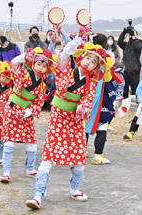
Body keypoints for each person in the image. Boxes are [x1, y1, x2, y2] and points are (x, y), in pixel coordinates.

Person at [25, 33, 115, 209]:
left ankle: (75, 189)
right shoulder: (66, 68)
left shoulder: (92, 82)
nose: (88, 62)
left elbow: (88, 99)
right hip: (58, 119)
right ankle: (37, 195)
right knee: (48, 158)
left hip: (74, 122)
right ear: (82, 57)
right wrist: (77, 40)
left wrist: (84, 109)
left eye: (93, 62)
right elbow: (65, 54)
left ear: (96, 67)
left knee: (79, 159)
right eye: (88, 58)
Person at [0, 48, 56, 182]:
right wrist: (27, 55)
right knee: (9, 142)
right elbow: (13, 62)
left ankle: (30, 168)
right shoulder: (24, 73)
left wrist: (27, 112)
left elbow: (39, 103)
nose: (41, 68)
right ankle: (6, 172)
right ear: (33, 63)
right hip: (13, 110)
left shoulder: (42, 85)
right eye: (38, 64)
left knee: (32, 142)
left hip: (26, 113)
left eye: (44, 66)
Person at [86, 62, 124, 164]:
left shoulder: (91, 76)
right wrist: (113, 106)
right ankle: (98, 155)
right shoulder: (107, 81)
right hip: (102, 109)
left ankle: (82, 150)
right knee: (101, 130)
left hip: (90, 107)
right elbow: (112, 96)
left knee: (85, 128)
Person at [117, 27, 142, 98]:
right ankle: (124, 105)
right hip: (126, 71)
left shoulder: (139, 42)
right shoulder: (126, 44)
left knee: (135, 90)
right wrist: (124, 32)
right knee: (124, 91)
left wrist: (134, 37)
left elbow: (137, 47)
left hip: (135, 71)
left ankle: (136, 104)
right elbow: (119, 42)